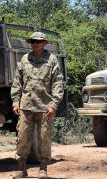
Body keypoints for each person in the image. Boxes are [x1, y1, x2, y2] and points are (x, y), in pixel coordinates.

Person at [11, 32, 64, 179]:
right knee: (22, 138)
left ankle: (43, 169)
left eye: (38, 42)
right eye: (33, 42)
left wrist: (53, 104)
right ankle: (21, 169)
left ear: (44, 43)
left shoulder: (52, 60)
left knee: (44, 138)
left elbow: (57, 83)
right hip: (26, 106)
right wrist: (16, 101)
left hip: (45, 107)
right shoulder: (25, 59)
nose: (36, 44)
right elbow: (17, 82)